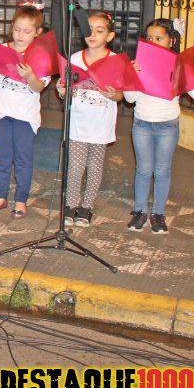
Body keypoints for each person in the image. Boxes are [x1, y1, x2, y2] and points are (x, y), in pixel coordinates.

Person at [123, 18, 194, 234]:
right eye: (149, 38)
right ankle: (140, 212)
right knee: (143, 170)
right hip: (142, 124)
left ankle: (158, 213)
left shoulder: (179, 65)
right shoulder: (139, 63)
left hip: (167, 126)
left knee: (162, 170)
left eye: (159, 38)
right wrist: (130, 76)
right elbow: (129, 99)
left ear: (171, 40)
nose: (153, 42)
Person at [0, 3, 51, 219]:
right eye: (17, 29)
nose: (20, 35)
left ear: (38, 32)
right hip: (2, 113)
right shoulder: (1, 49)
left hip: (25, 117)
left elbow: (39, 87)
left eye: (27, 31)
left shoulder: (41, 55)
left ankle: (21, 200)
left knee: (22, 159)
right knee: (2, 158)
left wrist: (30, 76)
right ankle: (0, 196)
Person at [56, 11, 123, 228]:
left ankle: (87, 206)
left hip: (100, 125)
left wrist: (112, 94)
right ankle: (71, 204)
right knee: (75, 166)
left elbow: (120, 95)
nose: (92, 35)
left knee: (94, 167)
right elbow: (65, 88)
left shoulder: (115, 61)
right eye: (89, 30)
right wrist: (63, 91)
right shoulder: (75, 58)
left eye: (99, 31)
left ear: (109, 36)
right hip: (78, 123)